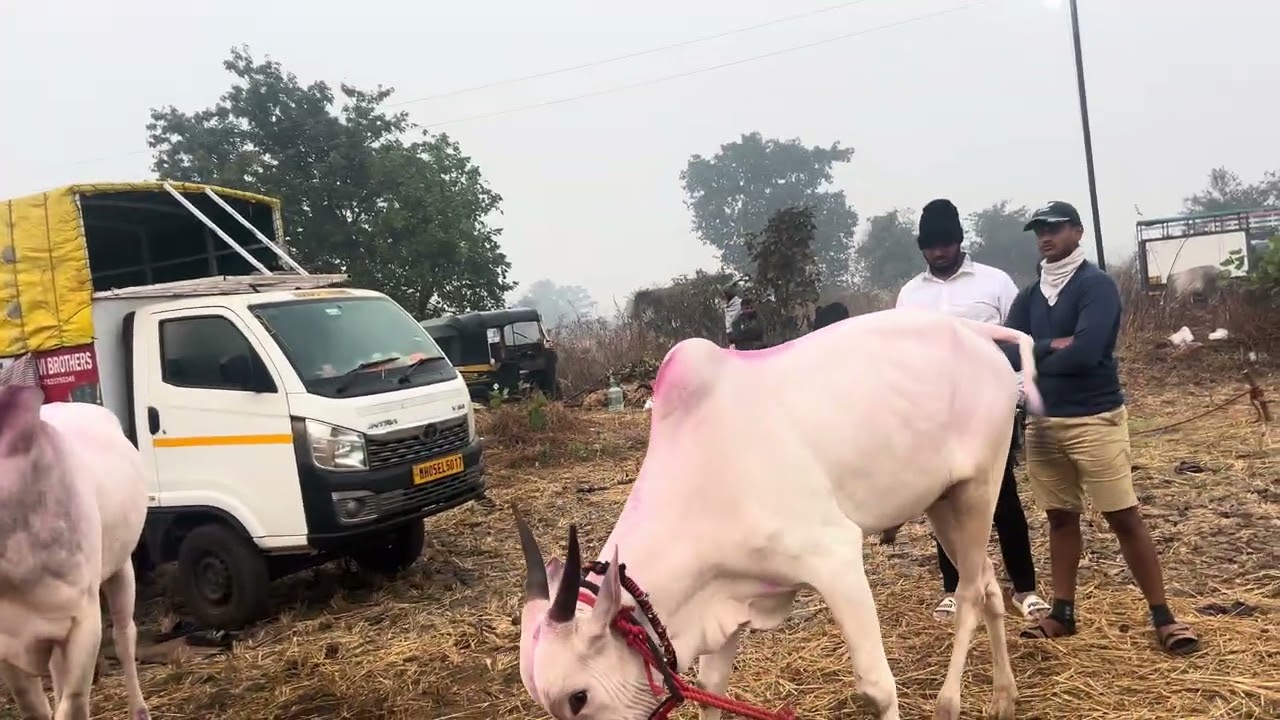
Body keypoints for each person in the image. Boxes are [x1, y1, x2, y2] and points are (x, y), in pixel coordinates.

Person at [1006, 200, 1200, 655]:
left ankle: (1163, 617)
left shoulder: (1097, 286)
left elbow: (1088, 350)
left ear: (1077, 232)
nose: (1045, 237)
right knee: (1059, 517)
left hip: (1094, 417)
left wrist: (1036, 352)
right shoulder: (1032, 293)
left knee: (1122, 515)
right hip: (1043, 422)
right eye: (1039, 230)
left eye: (1054, 228)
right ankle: (1062, 612)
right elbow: (1008, 349)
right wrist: (1052, 345)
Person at [895, 198, 1050, 623]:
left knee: (1002, 498)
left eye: (946, 243)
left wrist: (1018, 393)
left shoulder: (994, 283)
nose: (939, 252)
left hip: (987, 411)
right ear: (921, 248)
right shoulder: (910, 295)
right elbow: (900, 356)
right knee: (941, 499)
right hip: (934, 413)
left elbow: (1022, 340)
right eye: (931, 246)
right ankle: (955, 588)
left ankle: (1025, 589)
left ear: (960, 241)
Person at [721, 279, 743, 347]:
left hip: (741, 335)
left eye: (725, 294)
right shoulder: (726, 307)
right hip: (731, 337)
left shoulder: (740, 303)